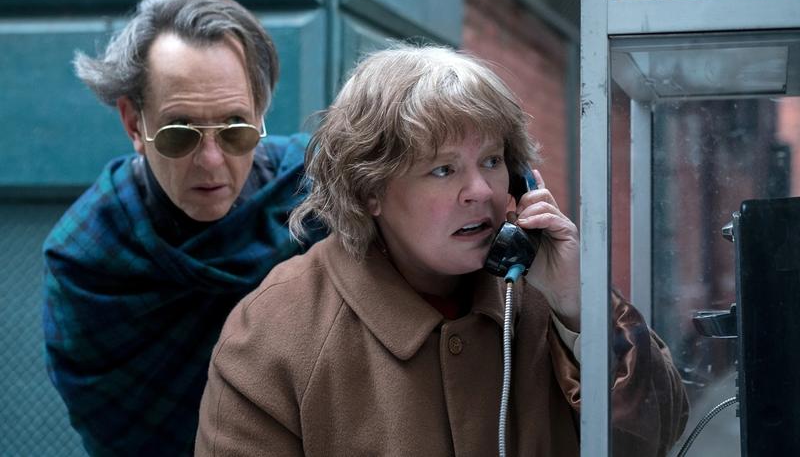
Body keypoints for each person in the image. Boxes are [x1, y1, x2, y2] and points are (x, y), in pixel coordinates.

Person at [195, 45, 689, 456]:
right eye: (443, 169)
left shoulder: (542, 284)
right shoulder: (275, 329)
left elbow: (658, 434)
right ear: (371, 192)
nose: (480, 191)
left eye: (492, 161)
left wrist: (582, 312)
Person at [42, 0, 324, 456]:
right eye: (179, 134)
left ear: (260, 114)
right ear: (134, 124)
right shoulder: (86, 261)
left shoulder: (317, 195)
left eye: (235, 129)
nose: (211, 161)